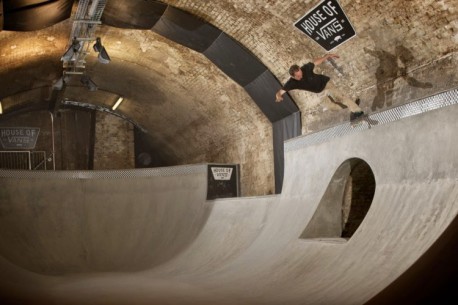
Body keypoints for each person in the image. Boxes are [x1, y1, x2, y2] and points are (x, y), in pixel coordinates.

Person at [275, 54, 364, 120]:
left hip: (326, 83)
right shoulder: (291, 83)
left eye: (300, 74)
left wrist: (327, 56)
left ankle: (358, 111)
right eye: (298, 76)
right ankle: (353, 104)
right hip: (319, 92)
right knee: (331, 107)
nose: (301, 76)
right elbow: (280, 92)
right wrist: (278, 96)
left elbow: (316, 62)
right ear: (293, 76)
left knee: (340, 98)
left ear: (300, 69)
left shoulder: (305, 68)